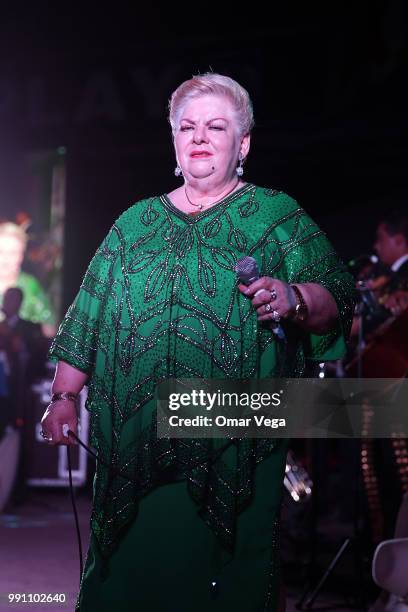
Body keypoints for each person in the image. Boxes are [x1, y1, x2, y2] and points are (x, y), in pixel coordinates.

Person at [40, 73, 356, 612]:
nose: (200, 137)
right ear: (174, 140)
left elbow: (338, 302)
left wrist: (293, 295)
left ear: (244, 144)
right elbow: (88, 315)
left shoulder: (276, 216)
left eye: (215, 126)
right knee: (130, 576)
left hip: (233, 436)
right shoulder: (132, 225)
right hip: (132, 443)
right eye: (187, 127)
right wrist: (65, 396)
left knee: (225, 577)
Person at [0, 222, 56, 338]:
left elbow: (50, 329)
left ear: (21, 256)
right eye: (1, 251)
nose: (5, 259)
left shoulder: (30, 286)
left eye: (13, 253)